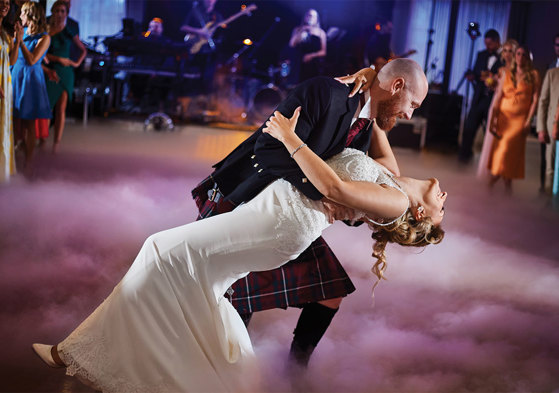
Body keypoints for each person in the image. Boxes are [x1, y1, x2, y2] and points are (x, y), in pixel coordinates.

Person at [32, 98, 446, 392]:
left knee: (160, 250)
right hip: (275, 209)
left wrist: (288, 137)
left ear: (421, 215)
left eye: (443, 207)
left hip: (284, 221)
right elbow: (375, 124)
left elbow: (332, 184)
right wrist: (371, 84)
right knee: (205, 288)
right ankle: (225, 377)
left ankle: (78, 353)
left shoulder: (392, 201)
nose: (445, 198)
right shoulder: (391, 178)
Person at [191, 59, 429, 368]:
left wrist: (360, 209)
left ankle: (295, 371)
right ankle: (223, 373)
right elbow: (268, 149)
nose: (409, 114)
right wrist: (326, 195)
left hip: (289, 216)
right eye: (412, 104)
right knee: (234, 297)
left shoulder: (365, 124)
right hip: (245, 199)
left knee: (329, 292)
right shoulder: (325, 92)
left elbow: (362, 174)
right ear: (397, 86)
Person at [486, 45, 540, 191]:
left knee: (509, 153)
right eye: (518, 54)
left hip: (519, 121)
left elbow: (535, 100)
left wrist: (529, 121)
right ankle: (505, 188)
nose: (520, 57)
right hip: (504, 118)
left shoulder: (533, 75)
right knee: (501, 153)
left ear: (528, 58)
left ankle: (492, 184)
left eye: (524, 55)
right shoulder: (506, 73)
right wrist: (493, 120)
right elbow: (498, 98)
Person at [11, 1, 51, 173]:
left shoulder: (44, 37)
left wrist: (20, 42)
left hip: (30, 80)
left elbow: (33, 60)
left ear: (30, 15)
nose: (20, 17)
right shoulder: (22, 32)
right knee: (12, 119)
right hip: (16, 75)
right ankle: (12, 158)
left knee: (28, 123)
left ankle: (28, 162)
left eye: (22, 14)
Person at [42, 0, 86, 153]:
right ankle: (43, 140)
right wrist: (57, 59)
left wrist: (76, 64)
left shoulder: (70, 29)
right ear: (52, 12)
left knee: (61, 109)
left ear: (67, 13)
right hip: (51, 70)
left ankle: (56, 144)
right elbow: (40, 51)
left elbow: (83, 49)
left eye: (63, 11)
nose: (60, 14)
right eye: (57, 11)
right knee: (47, 107)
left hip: (66, 72)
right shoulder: (46, 26)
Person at [458, 29, 502, 162]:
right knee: (469, 126)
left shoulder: (503, 57)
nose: (487, 47)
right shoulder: (481, 54)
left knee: (490, 132)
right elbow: (477, 73)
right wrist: (474, 77)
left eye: (490, 44)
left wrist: (493, 79)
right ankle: (464, 157)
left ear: (497, 42)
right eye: (486, 44)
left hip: (493, 99)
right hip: (479, 97)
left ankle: (491, 160)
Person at [477, 38, 518, 179]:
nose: (507, 54)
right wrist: (492, 83)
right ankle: (489, 172)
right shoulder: (500, 70)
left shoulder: (518, 72)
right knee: (492, 140)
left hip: (509, 108)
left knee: (506, 144)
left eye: (510, 51)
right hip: (496, 105)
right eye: (505, 51)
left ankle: (503, 174)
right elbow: (497, 87)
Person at [178, 0, 222, 118]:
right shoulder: (195, 11)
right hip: (194, 50)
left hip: (209, 52)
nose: (210, 1)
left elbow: (222, 31)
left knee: (207, 80)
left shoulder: (216, 16)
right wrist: (199, 32)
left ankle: (201, 109)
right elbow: (183, 27)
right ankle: (185, 109)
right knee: (189, 79)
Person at [0, 0, 21, 183]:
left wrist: (19, 38)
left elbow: (12, 61)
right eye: (1, 2)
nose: (4, 5)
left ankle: (2, 171)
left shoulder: (6, 33)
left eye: (7, 3)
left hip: (5, 81)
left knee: (4, 125)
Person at [286, 8, 327, 85]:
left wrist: (311, 55)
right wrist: (301, 31)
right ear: (305, 17)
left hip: (312, 64)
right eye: (308, 15)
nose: (310, 17)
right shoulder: (298, 29)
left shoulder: (321, 33)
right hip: (297, 62)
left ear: (317, 19)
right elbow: (291, 44)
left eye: (313, 16)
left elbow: (323, 52)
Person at [536, 66, 559, 192]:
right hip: (553, 129)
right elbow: (543, 102)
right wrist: (541, 128)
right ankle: (550, 201)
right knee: (551, 169)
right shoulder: (552, 74)